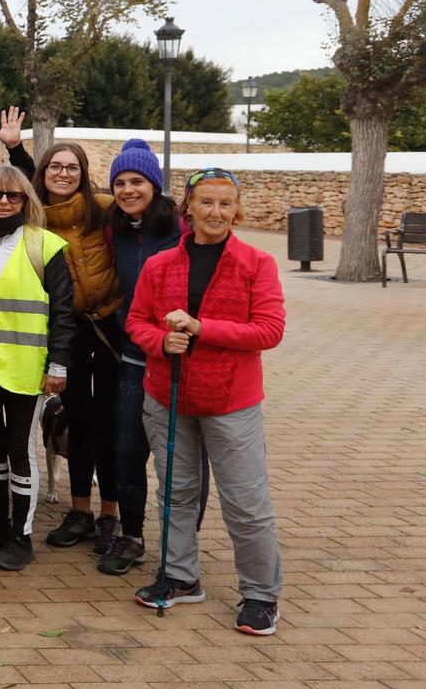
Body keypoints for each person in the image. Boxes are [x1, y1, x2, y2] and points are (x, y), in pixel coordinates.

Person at [126, 169, 286, 635]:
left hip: (230, 401)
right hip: (167, 396)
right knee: (175, 492)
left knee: (245, 501)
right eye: (206, 203)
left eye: (225, 203)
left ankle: (260, 594)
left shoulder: (257, 263)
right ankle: (179, 575)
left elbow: (269, 330)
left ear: (237, 209)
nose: (216, 212)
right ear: (188, 208)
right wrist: (159, 342)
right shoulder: (159, 265)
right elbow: (137, 321)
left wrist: (200, 328)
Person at [0, 166, 78, 573]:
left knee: (19, 451)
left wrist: (58, 364)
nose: (4, 202)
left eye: (14, 196)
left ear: (27, 201)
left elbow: (64, 312)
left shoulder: (44, 245)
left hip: (27, 369)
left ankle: (21, 536)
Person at [30, 142, 123, 558]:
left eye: (72, 167)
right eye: (55, 166)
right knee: (78, 421)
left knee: (109, 425)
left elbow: (149, 212)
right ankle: (80, 510)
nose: (63, 174)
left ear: (84, 173)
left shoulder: (103, 207)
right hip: (66, 331)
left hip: (109, 328)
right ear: (44, 171)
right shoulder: (31, 216)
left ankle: (111, 515)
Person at [99, 139, 181, 576]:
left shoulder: (180, 229)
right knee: (127, 449)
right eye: (120, 182)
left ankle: (181, 547)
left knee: (180, 459)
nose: (128, 190)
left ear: (155, 184)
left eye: (137, 181)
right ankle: (131, 535)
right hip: (132, 355)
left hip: (180, 360)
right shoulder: (114, 228)